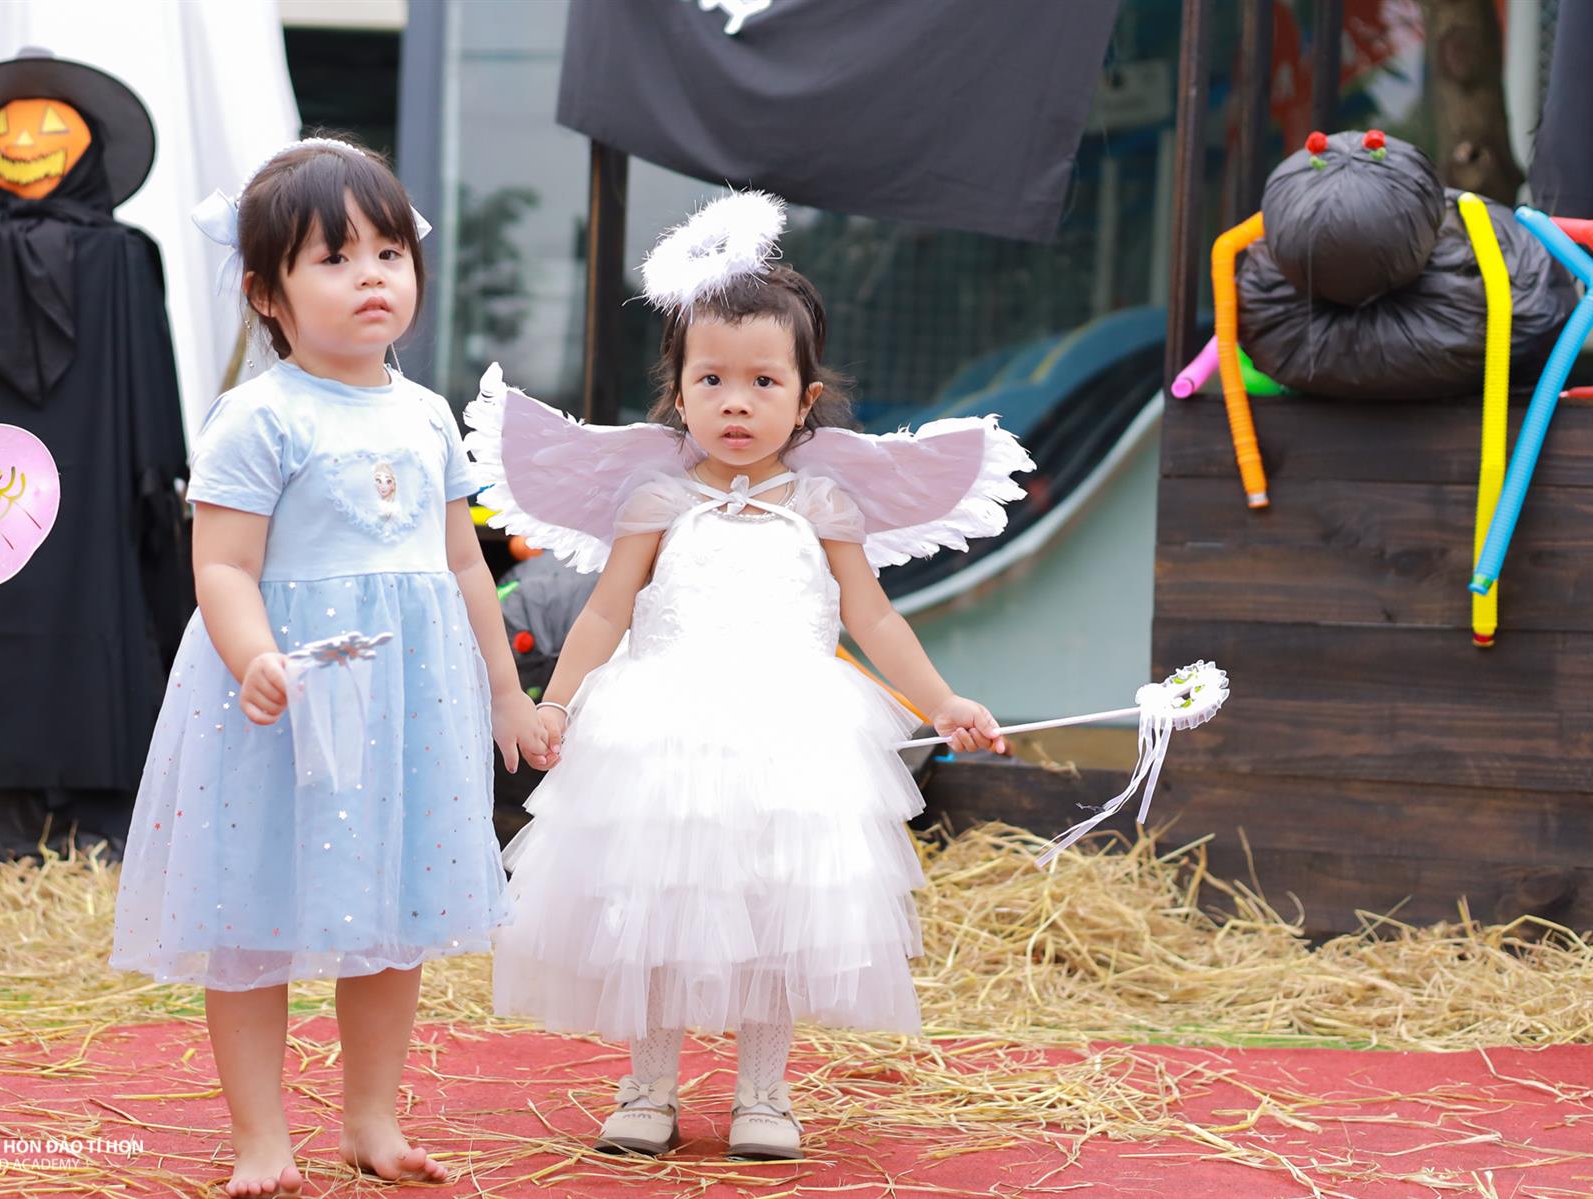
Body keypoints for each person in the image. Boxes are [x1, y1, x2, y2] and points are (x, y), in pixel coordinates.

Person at [477, 191, 1031, 1161]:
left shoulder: (825, 503)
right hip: (664, 729)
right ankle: (649, 1085)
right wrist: (557, 700)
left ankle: (763, 1092)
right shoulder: (656, 498)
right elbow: (606, 611)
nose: (737, 401)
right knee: (659, 904)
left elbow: (873, 616)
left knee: (777, 911)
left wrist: (941, 700)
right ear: (678, 391)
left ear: (805, 398)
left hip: (789, 734)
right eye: (713, 379)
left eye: (764, 381)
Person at [111, 136, 547, 1197]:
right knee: (249, 915)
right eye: (336, 258)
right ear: (268, 292)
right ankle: (261, 1135)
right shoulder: (259, 416)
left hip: (405, 703)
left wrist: (504, 691)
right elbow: (221, 564)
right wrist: (255, 656)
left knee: (395, 915)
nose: (372, 277)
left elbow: (462, 563)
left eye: (390, 253)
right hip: (285, 698)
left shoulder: (426, 412)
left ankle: (371, 1118)